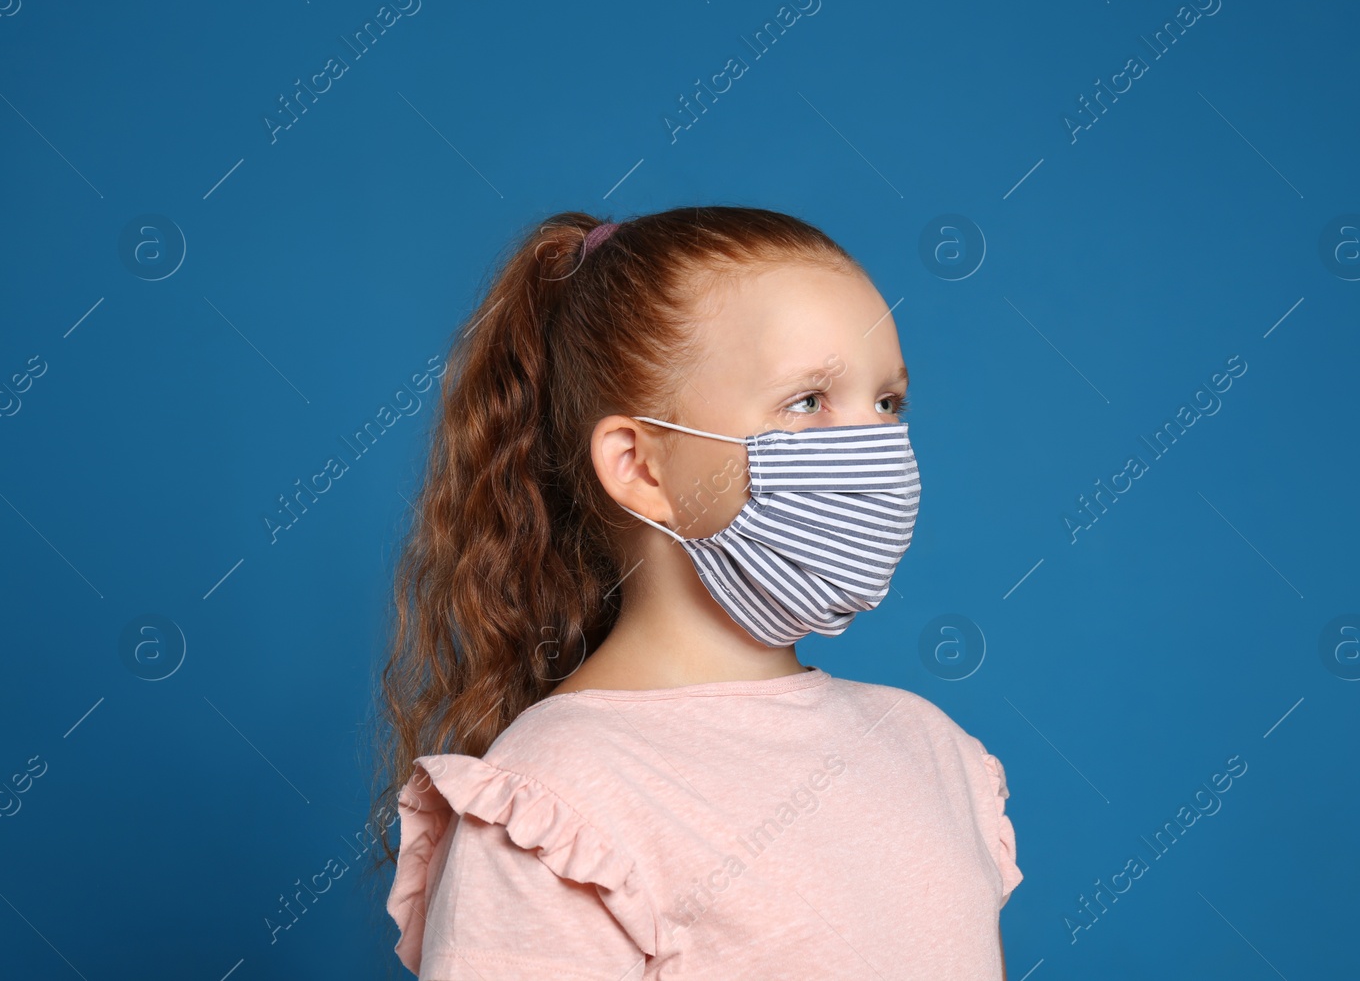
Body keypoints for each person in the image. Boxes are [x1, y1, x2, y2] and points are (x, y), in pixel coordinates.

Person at [371, 206, 1023, 979]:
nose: (871, 449)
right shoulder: (551, 802)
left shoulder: (930, 749)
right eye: (808, 401)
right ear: (642, 467)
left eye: (887, 404)